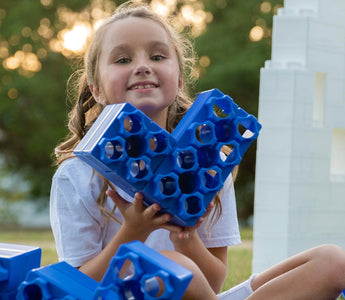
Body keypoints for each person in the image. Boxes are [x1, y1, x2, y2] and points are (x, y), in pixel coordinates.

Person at [50, 2, 345, 299]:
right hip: (121, 294)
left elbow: (214, 283)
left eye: (157, 56)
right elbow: (75, 287)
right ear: (96, 89)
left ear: (179, 79)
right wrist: (132, 233)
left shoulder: (207, 165)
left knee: (332, 262)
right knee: (168, 266)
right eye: (123, 59)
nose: (142, 66)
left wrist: (187, 237)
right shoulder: (77, 176)